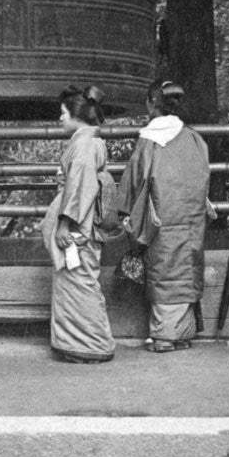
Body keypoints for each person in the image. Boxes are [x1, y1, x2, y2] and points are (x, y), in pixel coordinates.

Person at [117, 80, 211, 353]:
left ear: (151, 104)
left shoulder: (149, 141)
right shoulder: (194, 138)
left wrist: (124, 214)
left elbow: (134, 181)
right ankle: (182, 331)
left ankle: (164, 334)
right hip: (191, 216)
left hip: (160, 217)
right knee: (186, 266)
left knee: (163, 269)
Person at [41, 85, 115, 364]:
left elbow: (78, 187)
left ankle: (92, 344)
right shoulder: (89, 140)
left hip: (77, 223)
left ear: (76, 115)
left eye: (63, 113)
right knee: (76, 280)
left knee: (79, 280)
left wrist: (64, 224)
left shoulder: (84, 145)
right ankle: (79, 343)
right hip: (83, 219)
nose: (60, 118)